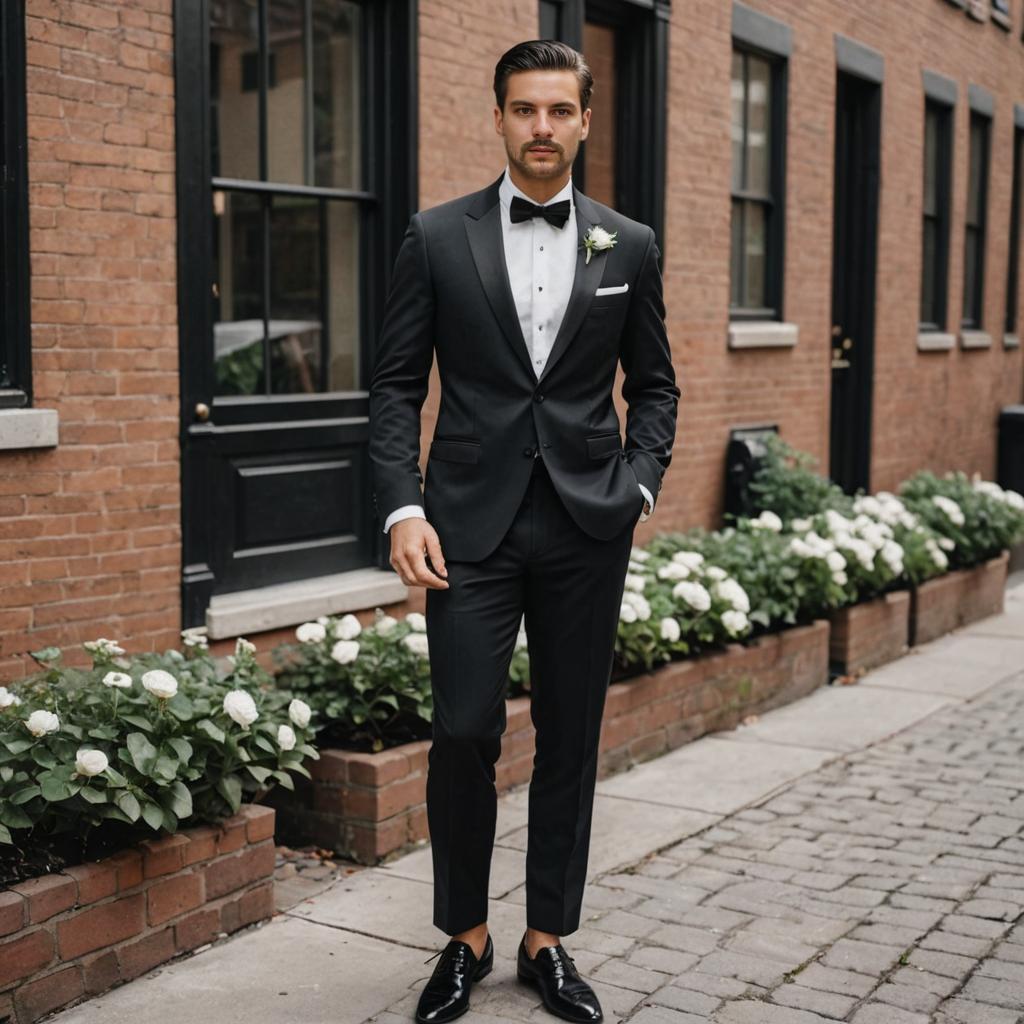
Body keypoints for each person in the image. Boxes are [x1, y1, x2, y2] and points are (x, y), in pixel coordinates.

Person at [368, 38, 679, 1024]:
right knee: (461, 727)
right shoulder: (435, 235)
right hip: (467, 525)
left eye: (558, 110)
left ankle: (549, 936)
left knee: (570, 734)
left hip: (588, 524)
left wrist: (636, 485)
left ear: (585, 120)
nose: (541, 128)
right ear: (499, 118)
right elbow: (391, 386)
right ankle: (463, 936)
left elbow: (657, 386)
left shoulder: (627, 243)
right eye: (524, 110)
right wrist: (403, 505)